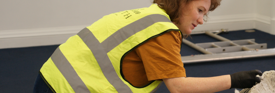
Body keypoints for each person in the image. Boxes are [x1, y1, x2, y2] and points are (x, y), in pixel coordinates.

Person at [33, 0, 262, 93]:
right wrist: (235, 79)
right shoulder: (162, 31)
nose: (202, 20)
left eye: (206, 13)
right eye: (200, 10)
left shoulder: (148, 16)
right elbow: (179, 87)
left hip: (50, 77)